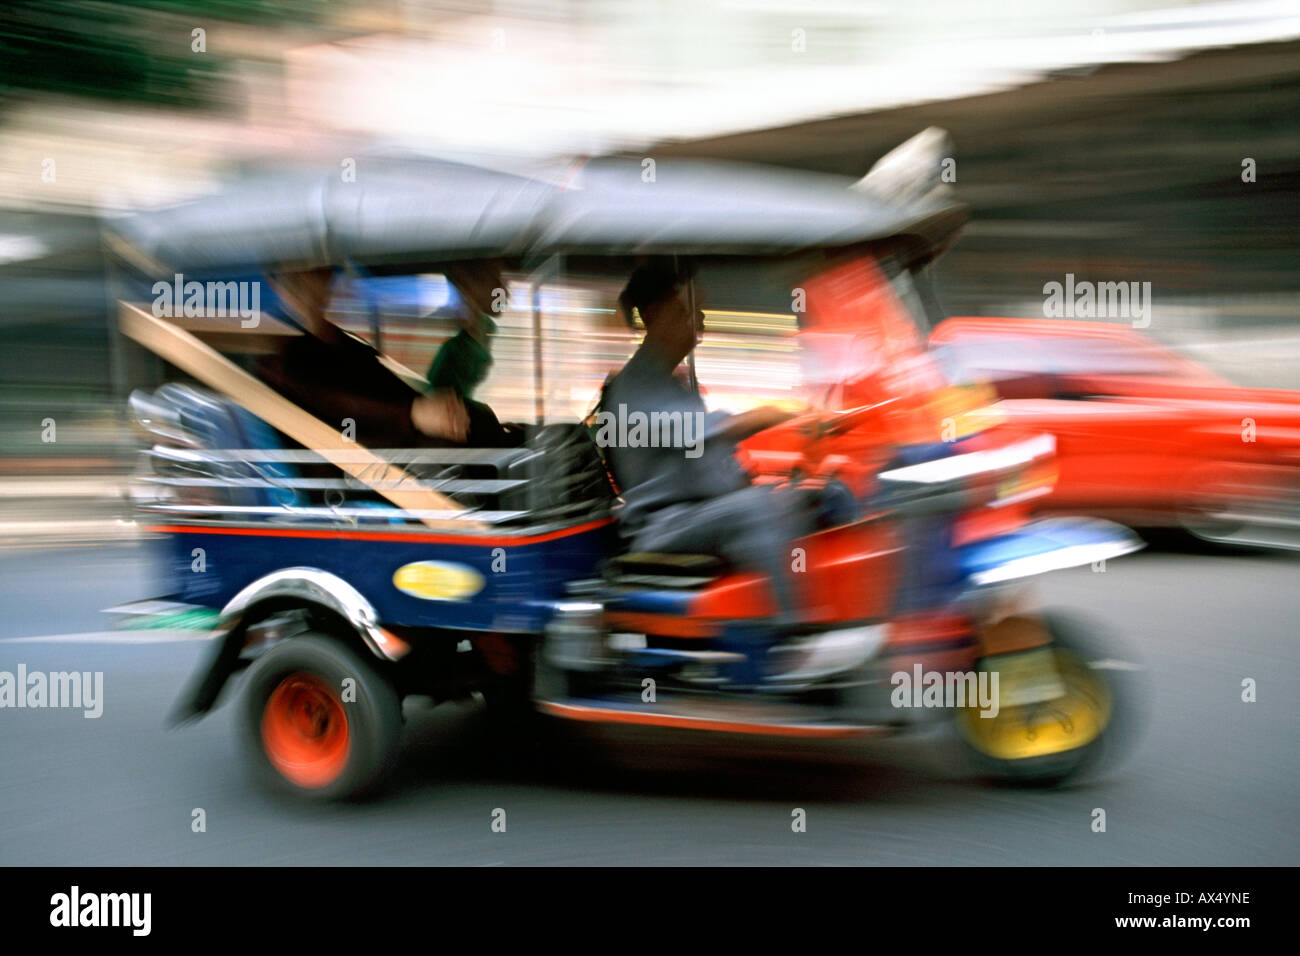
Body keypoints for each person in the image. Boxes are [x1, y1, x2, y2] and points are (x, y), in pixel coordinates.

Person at [599, 259, 808, 631]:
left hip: (701, 512)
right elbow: (702, 432)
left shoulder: (675, 384)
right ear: (656, 315)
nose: (701, 321)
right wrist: (777, 411)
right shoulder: (632, 389)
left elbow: (705, 454)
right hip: (664, 525)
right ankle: (793, 635)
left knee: (820, 495)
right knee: (757, 507)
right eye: (690, 311)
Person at [258, 266, 468, 447]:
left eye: (318, 272)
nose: (311, 284)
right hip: (351, 479)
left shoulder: (348, 347)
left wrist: (434, 407)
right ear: (278, 287)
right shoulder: (283, 362)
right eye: (297, 278)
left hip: (395, 456)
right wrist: (413, 414)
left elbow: (387, 386)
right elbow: (335, 404)